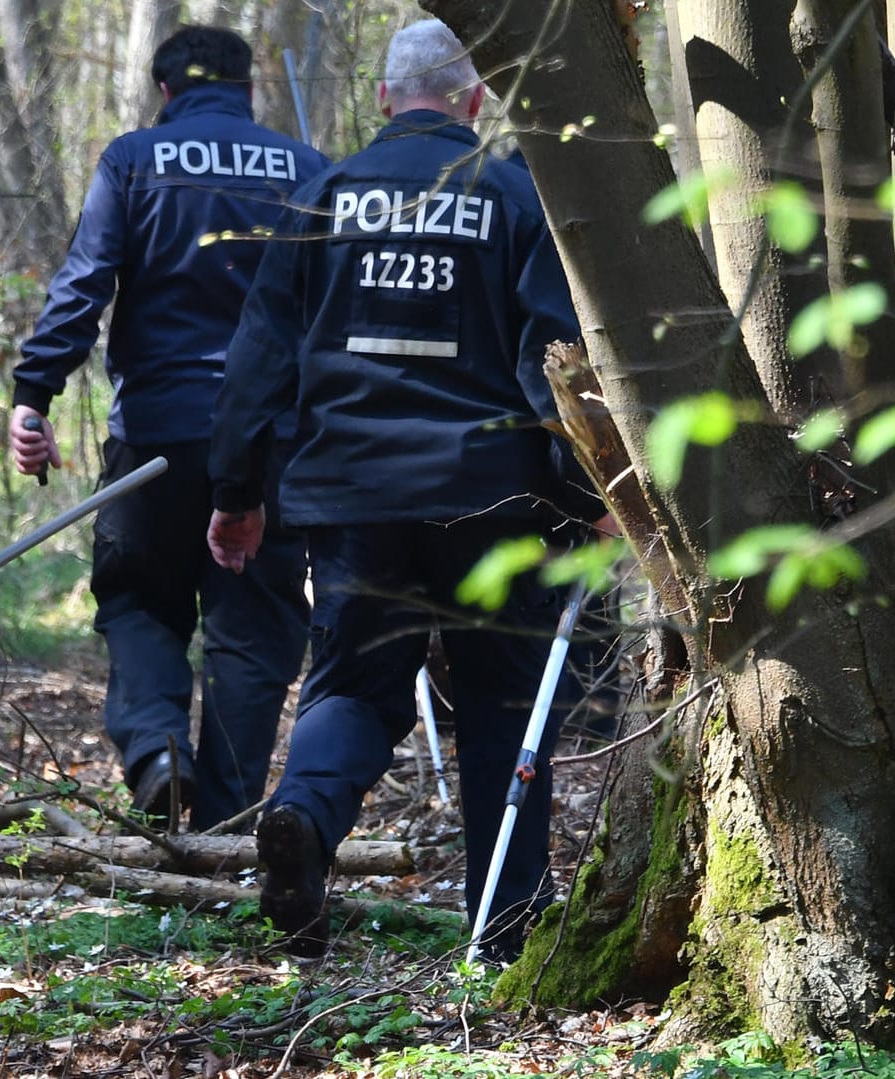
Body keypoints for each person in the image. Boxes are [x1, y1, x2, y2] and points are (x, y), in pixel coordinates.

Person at [206, 19, 610, 960]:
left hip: (354, 497)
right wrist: (584, 488)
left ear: (384, 99)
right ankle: (503, 926)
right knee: (505, 700)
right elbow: (548, 357)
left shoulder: (321, 199)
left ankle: (304, 813)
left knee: (352, 682)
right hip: (494, 498)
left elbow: (256, 362)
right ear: (474, 101)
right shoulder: (513, 196)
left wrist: (236, 492)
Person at [9, 26, 328, 831]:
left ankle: (156, 753)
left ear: (164, 91)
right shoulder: (304, 168)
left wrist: (33, 393)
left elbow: (85, 284)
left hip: (152, 435)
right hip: (268, 444)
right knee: (251, 630)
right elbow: (332, 316)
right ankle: (223, 825)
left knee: (140, 602)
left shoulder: (133, 159)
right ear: (247, 88)